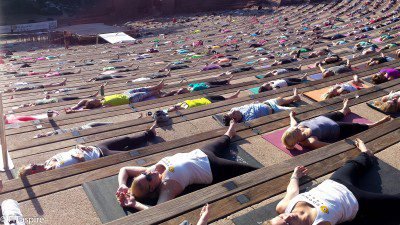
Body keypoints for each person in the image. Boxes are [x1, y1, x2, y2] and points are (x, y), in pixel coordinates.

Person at [115, 120, 258, 211]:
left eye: (144, 175)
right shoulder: (168, 187)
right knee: (251, 171)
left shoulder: (150, 171)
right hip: (213, 167)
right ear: (152, 188)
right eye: (148, 179)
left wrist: (122, 185)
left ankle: (229, 133)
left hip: (200, 152)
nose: (147, 174)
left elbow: (124, 169)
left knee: (223, 139)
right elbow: (159, 212)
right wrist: (135, 205)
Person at [264, 138, 400, 225]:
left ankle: (365, 152)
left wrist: (295, 176)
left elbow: (292, 191)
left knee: (355, 163)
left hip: (336, 182)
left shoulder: (283, 207)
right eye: (287, 224)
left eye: (282, 218)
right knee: (394, 203)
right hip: (355, 200)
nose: (287, 218)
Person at [19, 122, 157, 176]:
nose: (32, 164)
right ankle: (153, 149)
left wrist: (79, 146)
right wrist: (82, 158)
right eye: (30, 168)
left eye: (30, 165)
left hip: (96, 147)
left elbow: (69, 152)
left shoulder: (48, 161)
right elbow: (82, 169)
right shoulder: (56, 171)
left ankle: (149, 134)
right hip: (100, 156)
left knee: (126, 139)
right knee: (129, 154)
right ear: (34, 174)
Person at [281, 99, 391, 150]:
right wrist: (347, 145)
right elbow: (329, 146)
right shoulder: (310, 141)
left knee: (341, 113)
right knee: (357, 126)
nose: (295, 129)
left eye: (293, 130)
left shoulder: (295, 128)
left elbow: (293, 123)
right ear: (297, 141)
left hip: (323, 118)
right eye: (295, 133)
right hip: (336, 128)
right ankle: (375, 124)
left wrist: (291, 115)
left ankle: (344, 109)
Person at [65, 80, 165, 114]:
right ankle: (156, 92)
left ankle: (156, 87)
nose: (95, 99)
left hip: (124, 94)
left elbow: (84, 100)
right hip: (129, 99)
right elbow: (88, 110)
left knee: (140, 88)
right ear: (95, 105)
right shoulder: (103, 106)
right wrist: (75, 111)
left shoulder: (102, 100)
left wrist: (74, 107)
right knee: (144, 94)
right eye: (94, 100)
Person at [222, 88, 300, 126]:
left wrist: (253, 103)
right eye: (233, 113)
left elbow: (248, 106)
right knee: (296, 110)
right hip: (274, 110)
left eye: (231, 111)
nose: (233, 110)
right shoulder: (247, 120)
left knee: (281, 99)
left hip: (267, 103)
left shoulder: (235, 109)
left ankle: (295, 97)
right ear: (235, 120)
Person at [168, 90, 241, 112]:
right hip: (209, 103)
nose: (176, 106)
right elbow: (183, 109)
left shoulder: (179, 103)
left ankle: (233, 97)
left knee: (222, 97)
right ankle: (233, 97)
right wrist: (178, 108)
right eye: (175, 108)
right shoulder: (185, 109)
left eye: (174, 106)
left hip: (205, 98)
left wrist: (176, 106)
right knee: (224, 101)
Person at [16, 90, 99, 109]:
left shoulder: (36, 102)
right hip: (58, 102)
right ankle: (91, 96)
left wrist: (47, 96)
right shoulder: (35, 105)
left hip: (57, 98)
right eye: (24, 105)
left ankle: (91, 95)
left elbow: (45, 99)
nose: (26, 104)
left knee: (75, 97)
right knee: (77, 100)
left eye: (24, 104)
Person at [34, 121, 113, 138]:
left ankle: (111, 124)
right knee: (95, 126)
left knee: (94, 124)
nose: (39, 134)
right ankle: (111, 125)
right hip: (80, 131)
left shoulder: (49, 133)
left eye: (38, 134)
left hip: (80, 128)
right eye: (39, 135)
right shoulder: (52, 136)